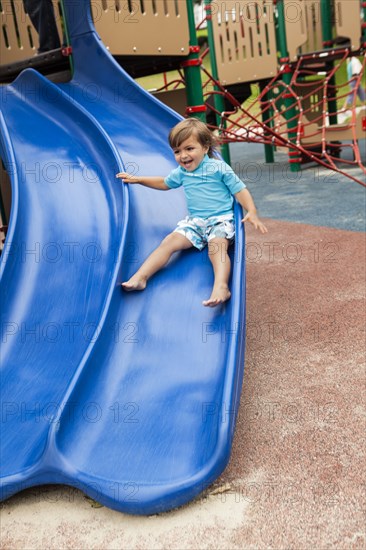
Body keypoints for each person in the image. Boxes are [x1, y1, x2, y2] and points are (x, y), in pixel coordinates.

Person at [116, 118, 267, 307]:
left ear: (205, 147)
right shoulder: (182, 172)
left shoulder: (217, 168)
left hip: (220, 221)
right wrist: (138, 180)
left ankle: (221, 287)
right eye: (177, 151)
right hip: (196, 222)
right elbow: (164, 183)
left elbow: (239, 190)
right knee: (169, 241)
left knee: (216, 248)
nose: (183, 155)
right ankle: (141, 277)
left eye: (189, 149)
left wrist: (251, 210)